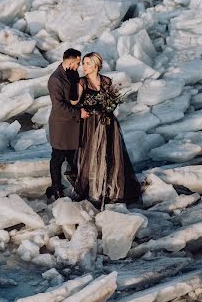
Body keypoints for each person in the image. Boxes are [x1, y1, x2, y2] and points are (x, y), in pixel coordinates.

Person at [72, 52, 141, 208]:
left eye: (88, 63)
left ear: (96, 65)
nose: (84, 66)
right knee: (92, 155)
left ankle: (111, 190)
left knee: (111, 154)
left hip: (108, 122)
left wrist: (110, 106)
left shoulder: (106, 81)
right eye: (84, 63)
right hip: (91, 124)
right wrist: (82, 110)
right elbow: (75, 102)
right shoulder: (81, 82)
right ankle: (94, 191)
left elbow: (111, 101)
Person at [47, 48, 89, 199]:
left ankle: (78, 187)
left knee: (74, 158)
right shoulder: (55, 79)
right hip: (61, 125)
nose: (79, 66)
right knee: (57, 158)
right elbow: (59, 106)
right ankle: (56, 188)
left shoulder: (72, 74)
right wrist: (79, 113)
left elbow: (75, 97)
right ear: (71, 61)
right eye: (78, 62)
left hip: (73, 125)